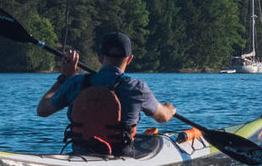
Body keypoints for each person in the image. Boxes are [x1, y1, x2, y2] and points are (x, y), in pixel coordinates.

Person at [36, 31, 176, 156]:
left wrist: (64, 78)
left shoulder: (76, 82)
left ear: (100, 57)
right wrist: (170, 109)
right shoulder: (137, 88)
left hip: (81, 152)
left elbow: (42, 110)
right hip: (121, 157)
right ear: (129, 59)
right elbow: (162, 117)